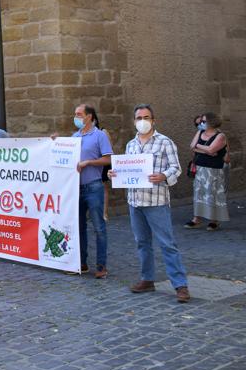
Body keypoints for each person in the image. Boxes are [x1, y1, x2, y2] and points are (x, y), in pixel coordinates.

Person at [109, 104, 190, 303]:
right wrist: (114, 173)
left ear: (153, 120)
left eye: (146, 117)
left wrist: (163, 175)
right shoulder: (131, 145)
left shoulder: (165, 142)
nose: (142, 121)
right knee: (142, 242)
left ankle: (180, 284)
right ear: (134, 121)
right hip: (135, 201)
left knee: (167, 244)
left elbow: (176, 168)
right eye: (139, 118)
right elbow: (128, 169)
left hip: (156, 200)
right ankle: (147, 279)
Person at [71, 104, 113, 278]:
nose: (76, 117)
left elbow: (108, 159)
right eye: (75, 114)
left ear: (89, 116)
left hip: (93, 187)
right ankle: (82, 263)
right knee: (79, 227)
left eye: (79, 114)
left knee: (98, 228)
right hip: (75, 189)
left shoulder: (99, 135)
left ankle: (101, 266)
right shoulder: (74, 136)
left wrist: (88, 162)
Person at [185, 112, 228, 231]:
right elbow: (192, 146)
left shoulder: (220, 136)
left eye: (204, 121)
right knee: (199, 192)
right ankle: (196, 218)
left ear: (211, 122)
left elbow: (211, 149)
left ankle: (214, 220)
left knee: (212, 193)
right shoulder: (200, 132)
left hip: (214, 169)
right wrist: (206, 150)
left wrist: (200, 147)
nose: (201, 124)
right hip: (200, 168)